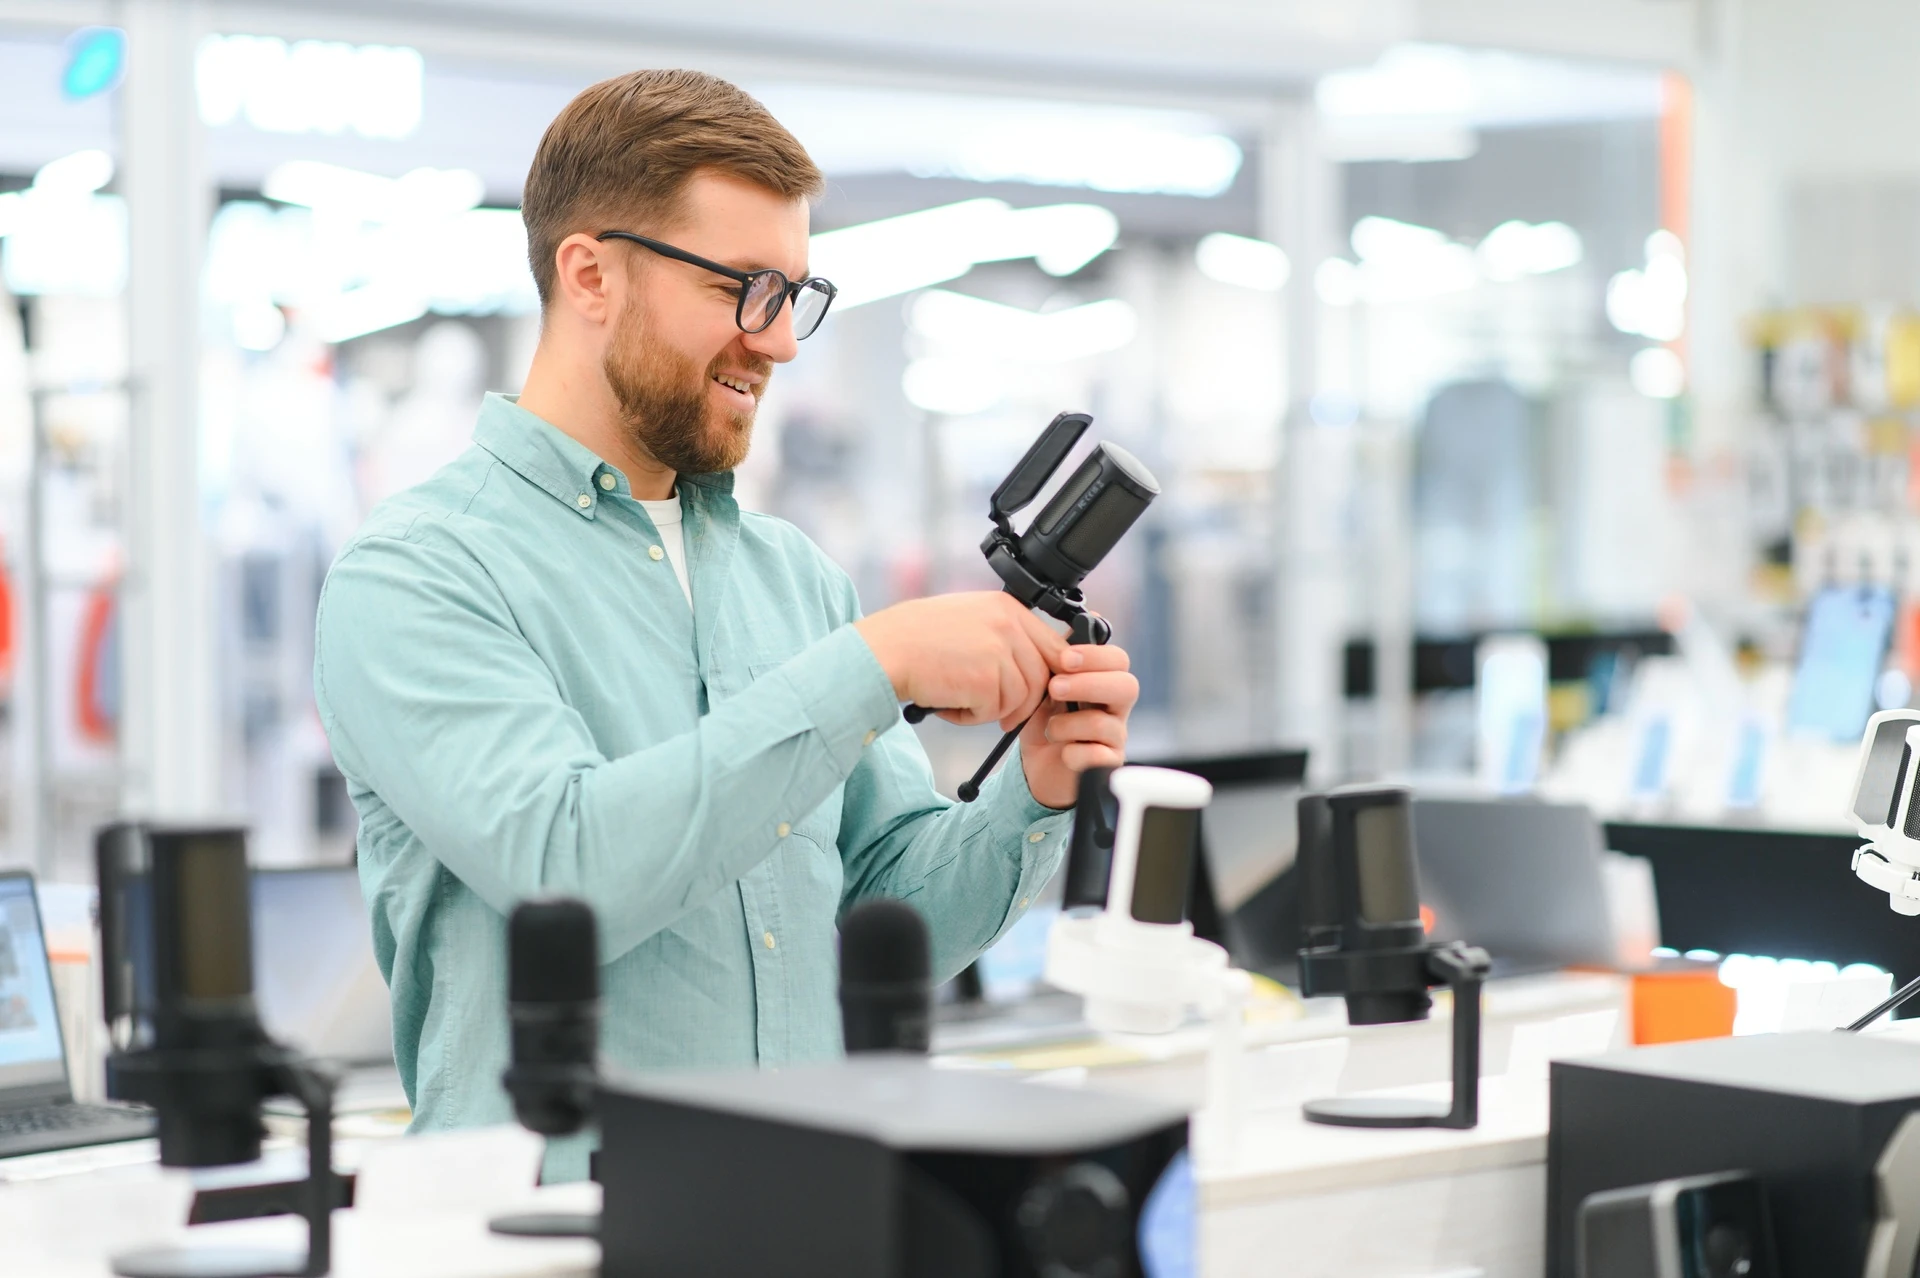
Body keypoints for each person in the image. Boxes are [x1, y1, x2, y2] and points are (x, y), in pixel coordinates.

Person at [313, 69, 1138, 1177]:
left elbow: (877, 917)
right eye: (746, 288)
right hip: (552, 1233)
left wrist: (1032, 794)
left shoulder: (791, 577)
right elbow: (570, 870)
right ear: (590, 273)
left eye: (795, 294)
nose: (781, 341)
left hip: (799, 1206)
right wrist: (873, 665)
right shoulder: (419, 575)